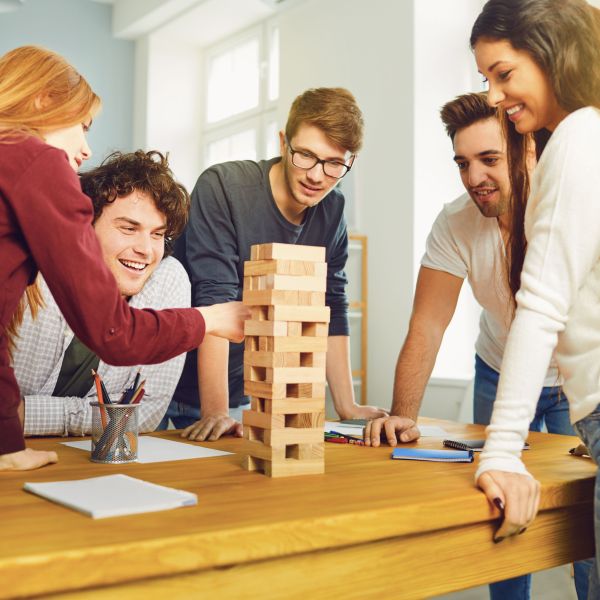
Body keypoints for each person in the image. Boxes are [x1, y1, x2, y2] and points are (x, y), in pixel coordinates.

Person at [364, 91, 590, 599]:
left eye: (489, 159)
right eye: (462, 163)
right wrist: (405, 414)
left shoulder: (572, 204)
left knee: (585, 524)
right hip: (499, 369)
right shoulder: (455, 222)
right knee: (497, 511)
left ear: (528, 150)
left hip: (578, 379)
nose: (473, 179)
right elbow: (427, 323)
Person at [0, 45, 248, 471]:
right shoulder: (37, 160)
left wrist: (8, 443)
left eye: (157, 235)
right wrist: (214, 320)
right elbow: (114, 334)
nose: (84, 150)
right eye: (82, 125)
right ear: (42, 102)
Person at [161, 87, 387, 439]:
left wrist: (347, 406)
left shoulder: (332, 211)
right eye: (306, 156)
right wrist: (216, 410)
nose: (316, 175)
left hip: (237, 388)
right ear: (283, 142)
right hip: (162, 378)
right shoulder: (223, 186)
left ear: (349, 162)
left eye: (334, 164)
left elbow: (331, 305)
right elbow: (216, 298)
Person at [468, 0, 600, 596]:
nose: (494, 96)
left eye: (502, 73)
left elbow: (542, 304)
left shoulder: (578, 135)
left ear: (549, 54)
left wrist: (500, 453)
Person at [14, 150, 192, 435]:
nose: (146, 250)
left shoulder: (168, 279)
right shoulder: (32, 274)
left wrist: (25, 414)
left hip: (88, 462)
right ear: (85, 228)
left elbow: (145, 414)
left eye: (157, 234)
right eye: (128, 228)